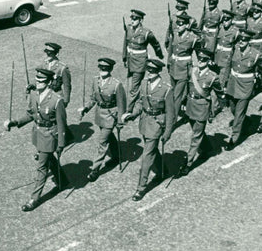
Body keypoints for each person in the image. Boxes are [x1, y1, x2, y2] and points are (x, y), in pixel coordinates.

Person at [4, 68, 67, 212]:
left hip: (49, 136)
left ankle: (34, 198)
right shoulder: (33, 95)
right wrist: (14, 122)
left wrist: (61, 144)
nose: (38, 83)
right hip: (37, 134)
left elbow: (62, 123)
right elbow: (30, 114)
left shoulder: (56, 101)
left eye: (42, 81)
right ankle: (63, 180)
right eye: (37, 80)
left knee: (41, 167)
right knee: (48, 159)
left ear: (49, 82)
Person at [121, 58, 174, 202]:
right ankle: (163, 170)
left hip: (157, 125)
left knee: (146, 156)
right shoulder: (144, 84)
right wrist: (132, 115)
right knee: (152, 151)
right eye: (148, 70)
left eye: (153, 71)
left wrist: (168, 132)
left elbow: (171, 112)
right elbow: (140, 102)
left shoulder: (166, 88)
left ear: (158, 72)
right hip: (145, 122)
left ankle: (141, 188)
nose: (150, 73)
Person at [78, 57, 126, 181]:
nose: (102, 70)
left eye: (106, 68)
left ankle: (95, 169)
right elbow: (93, 98)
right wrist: (85, 108)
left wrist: (120, 121)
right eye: (101, 68)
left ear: (110, 69)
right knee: (109, 137)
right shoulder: (95, 81)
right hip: (99, 114)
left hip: (111, 115)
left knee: (102, 141)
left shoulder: (116, 84)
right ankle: (117, 156)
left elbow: (121, 104)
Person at [181, 48, 224, 174]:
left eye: (204, 60)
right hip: (190, 105)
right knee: (197, 131)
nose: (200, 61)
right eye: (199, 59)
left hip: (202, 107)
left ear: (208, 61)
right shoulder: (192, 72)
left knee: (196, 136)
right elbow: (187, 88)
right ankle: (207, 148)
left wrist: (215, 110)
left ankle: (187, 163)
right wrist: (184, 103)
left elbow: (220, 94)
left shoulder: (212, 77)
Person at [222, 29, 262, 150]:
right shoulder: (235, 49)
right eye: (240, 40)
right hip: (233, 84)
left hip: (246, 86)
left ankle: (234, 138)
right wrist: (224, 83)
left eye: (244, 40)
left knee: (239, 113)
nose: (241, 42)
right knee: (233, 108)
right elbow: (228, 65)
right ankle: (246, 121)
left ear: (249, 41)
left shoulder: (255, 54)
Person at [122, 9, 164, 110]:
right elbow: (125, 43)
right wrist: (124, 58)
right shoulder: (128, 28)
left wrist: (159, 54)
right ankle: (139, 100)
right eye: (131, 18)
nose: (132, 20)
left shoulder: (146, 33)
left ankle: (129, 109)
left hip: (140, 62)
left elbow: (155, 44)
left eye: (135, 19)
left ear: (140, 20)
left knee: (134, 87)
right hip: (130, 60)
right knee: (134, 83)